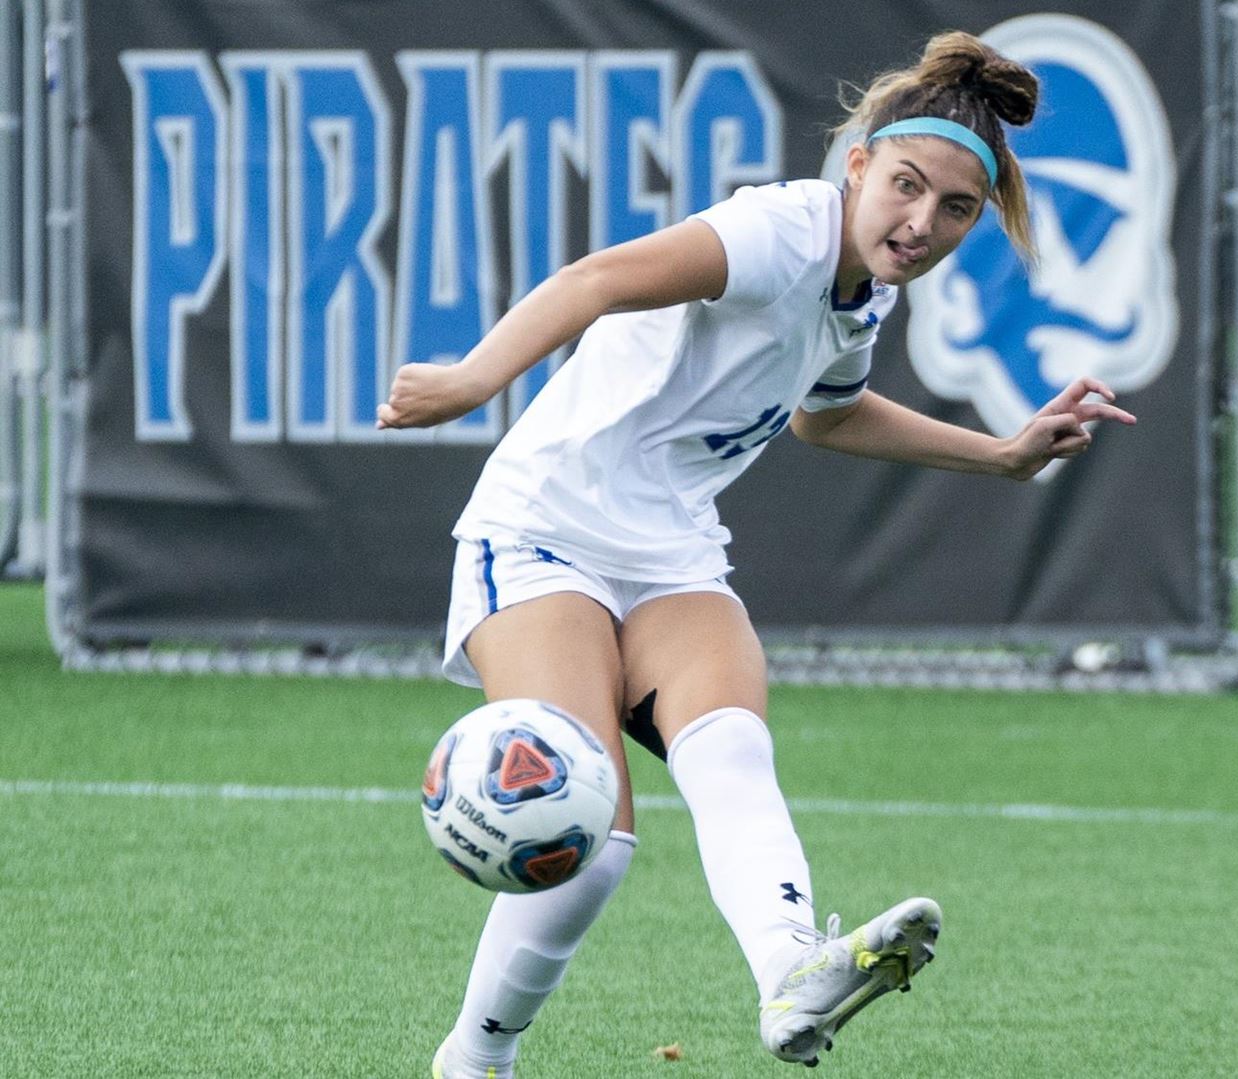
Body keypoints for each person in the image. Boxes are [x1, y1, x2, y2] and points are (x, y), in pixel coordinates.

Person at [381, 30, 1135, 1076]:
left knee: (733, 753)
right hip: (542, 527)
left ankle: (793, 969)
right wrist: (473, 379)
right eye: (907, 187)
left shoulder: (865, 288)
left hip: (673, 551)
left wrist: (1002, 457)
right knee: (593, 848)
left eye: (956, 209)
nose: (923, 224)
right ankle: (473, 1060)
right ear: (859, 165)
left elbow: (825, 417)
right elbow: (600, 276)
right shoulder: (780, 231)